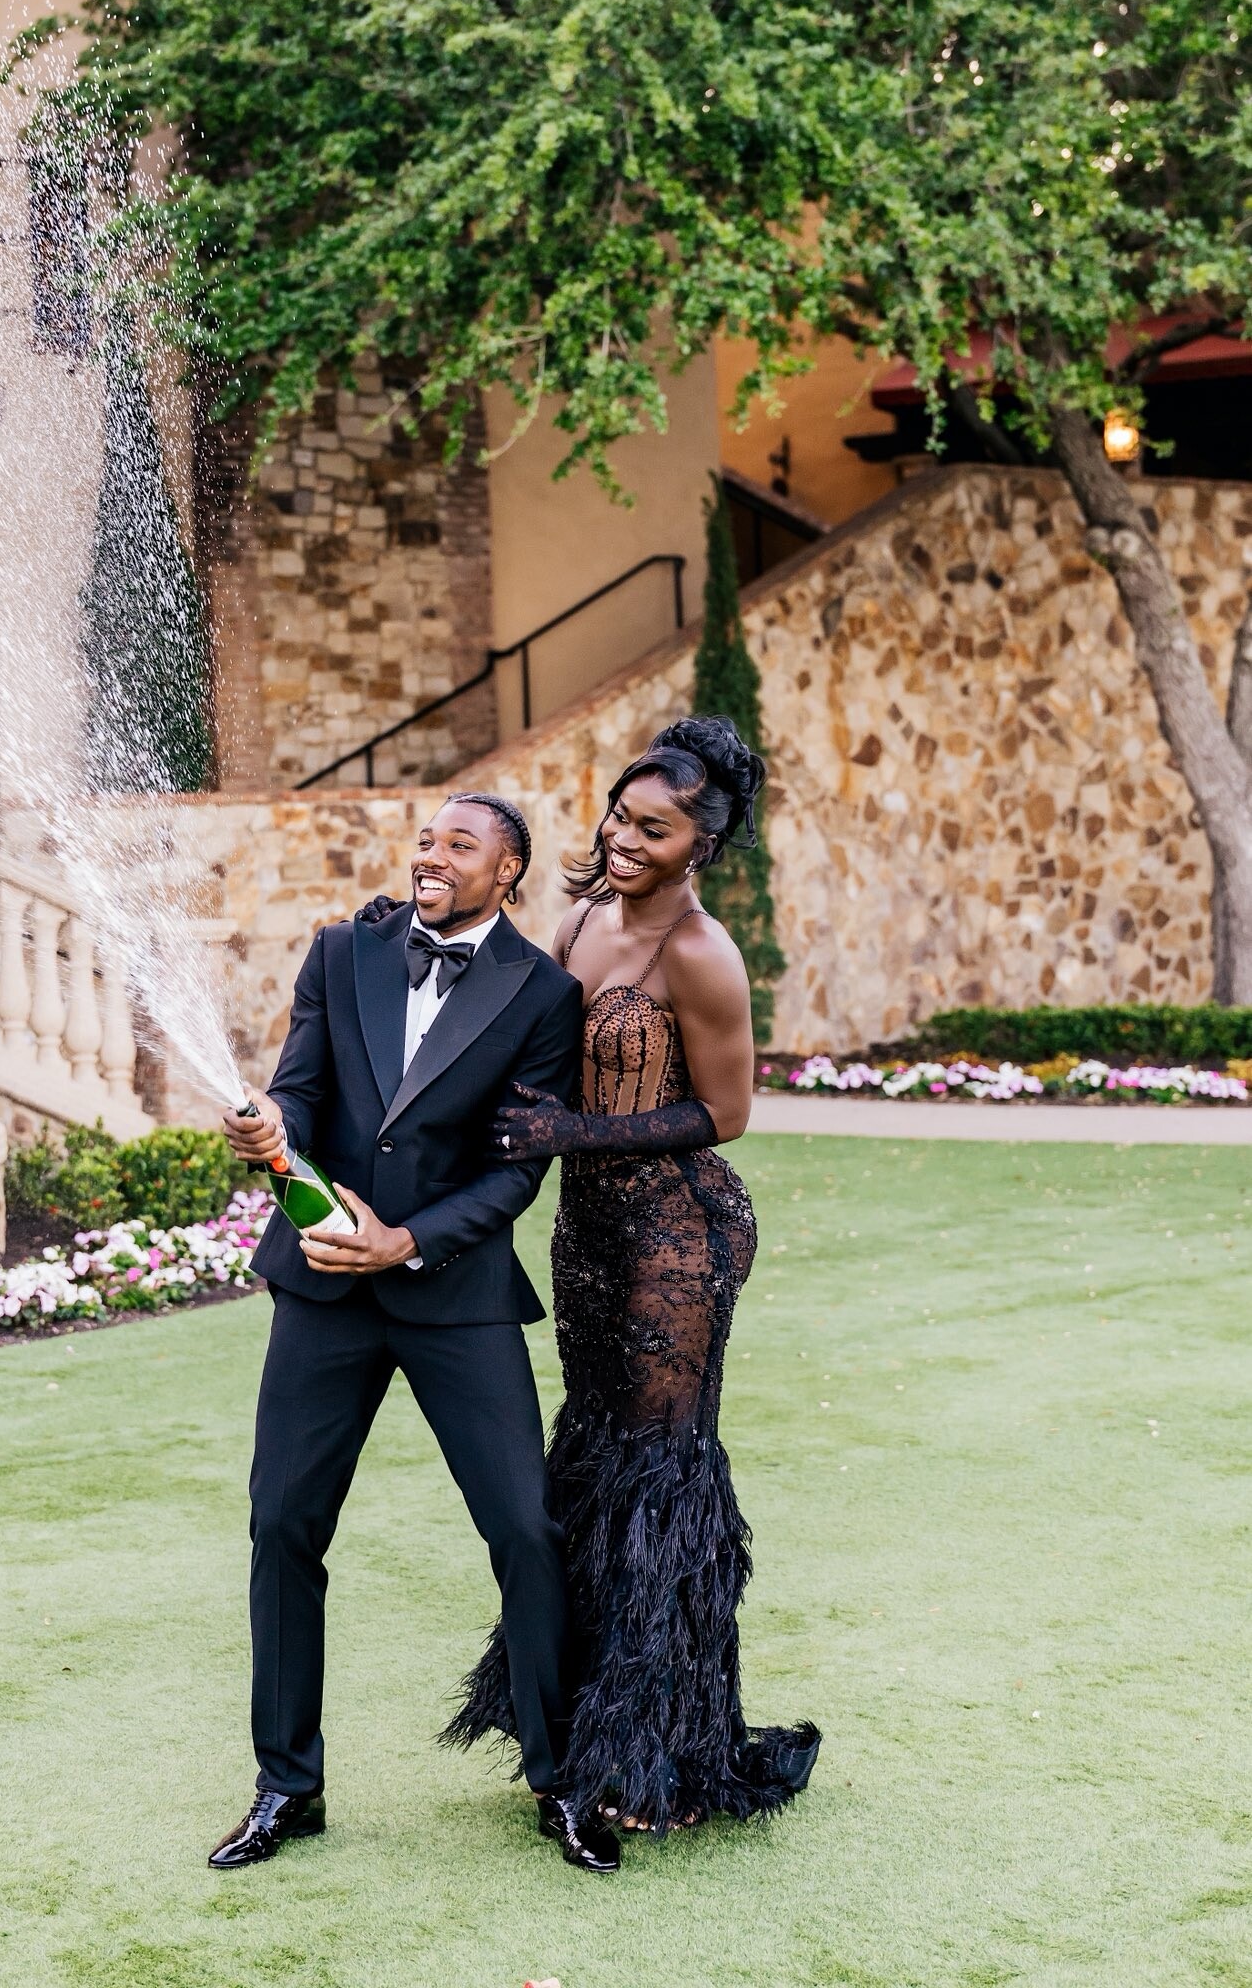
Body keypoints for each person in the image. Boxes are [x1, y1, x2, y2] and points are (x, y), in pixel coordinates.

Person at [211, 793, 624, 1875]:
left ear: (509, 871)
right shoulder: (340, 951)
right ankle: (286, 1786)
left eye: (460, 844)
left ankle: (561, 1782)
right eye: (427, 840)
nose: (432, 855)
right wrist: (272, 1129)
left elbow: (518, 1169)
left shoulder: (544, 993)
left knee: (525, 1530)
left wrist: (407, 1240)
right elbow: (301, 1093)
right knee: (282, 1525)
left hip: (456, 1295)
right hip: (323, 1286)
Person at [442, 718, 821, 1835]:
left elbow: (728, 1113)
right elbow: (514, 1021)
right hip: (589, 1241)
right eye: (620, 814)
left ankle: (665, 1754)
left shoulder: (701, 954)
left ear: (703, 843)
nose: (624, 839)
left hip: (675, 1239)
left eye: (655, 829)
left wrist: (573, 1131)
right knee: (598, 1464)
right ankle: (581, 1728)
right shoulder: (580, 920)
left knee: (662, 1481)